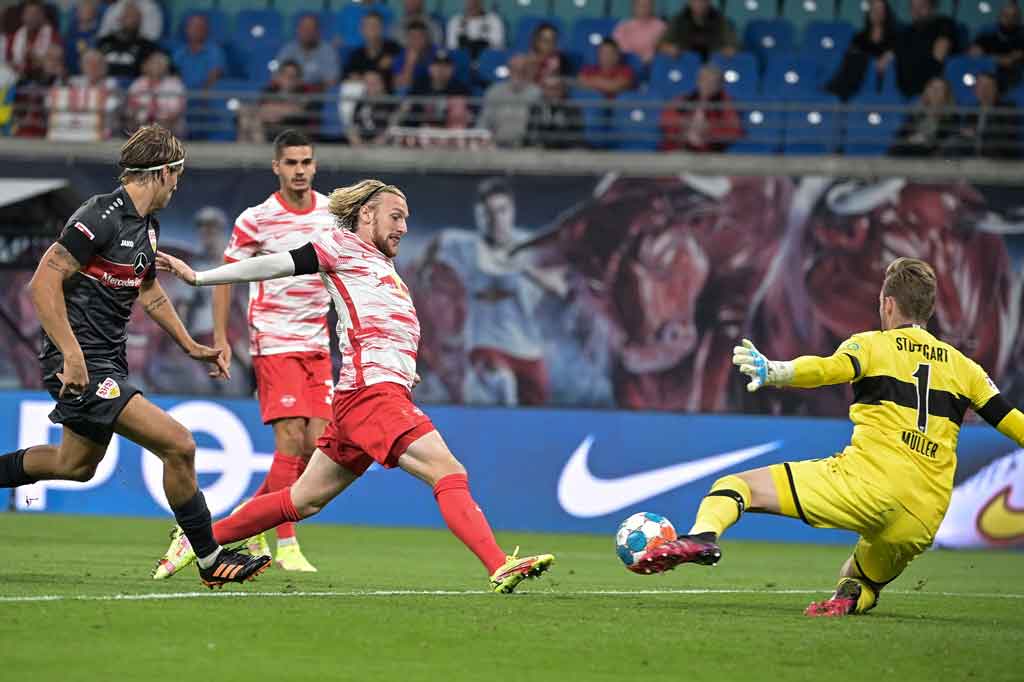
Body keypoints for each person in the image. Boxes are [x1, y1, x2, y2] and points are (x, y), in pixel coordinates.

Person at [152, 179, 555, 594]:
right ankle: (499, 564)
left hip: (368, 393)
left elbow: (380, 325)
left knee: (303, 499)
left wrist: (403, 365)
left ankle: (199, 538)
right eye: (395, 217)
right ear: (366, 215)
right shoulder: (340, 246)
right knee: (448, 470)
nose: (402, 227)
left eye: (406, 220)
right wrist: (201, 278)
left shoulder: (385, 266)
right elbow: (275, 263)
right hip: (371, 394)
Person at [630, 257, 1024, 616]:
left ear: (888, 304)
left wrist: (776, 372)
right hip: (924, 514)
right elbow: (1012, 422)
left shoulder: (872, 345)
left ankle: (701, 537)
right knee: (859, 577)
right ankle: (846, 600)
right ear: (930, 309)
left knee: (735, 487)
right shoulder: (966, 368)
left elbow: (826, 369)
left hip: (867, 485)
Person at [0, 125, 270, 588]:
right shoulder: (100, 214)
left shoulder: (147, 228)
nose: (178, 183)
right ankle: (209, 559)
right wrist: (72, 354)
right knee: (180, 444)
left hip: (106, 360)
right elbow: (43, 282)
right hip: (80, 363)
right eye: (177, 174)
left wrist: (189, 344)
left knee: (76, 467)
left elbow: (150, 293)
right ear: (162, 172)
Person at [205, 130, 335, 573]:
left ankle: (250, 515)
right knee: (291, 441)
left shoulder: (333, 215)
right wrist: (221, 338)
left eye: (307, 162)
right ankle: (287, 545)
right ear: (276, 167)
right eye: (291, 163)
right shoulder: (256, 219)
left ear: (315, 166)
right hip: (274, 340)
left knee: (319, 448)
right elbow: (226, 276)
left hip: (317, 343)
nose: (300, 170)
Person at [416, 178, 556, 405]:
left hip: (528, 350)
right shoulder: (464, 245)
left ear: (512, 211)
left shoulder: (531, 245)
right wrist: (423, 272)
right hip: (485, 346)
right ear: (478, 217)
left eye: (501, 211)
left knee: (537, 412)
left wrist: (529, 272)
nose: (495, 220)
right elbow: (439, 240)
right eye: (487, 214)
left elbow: (560, 285)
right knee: (503, 385)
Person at [826, 0, 899, 100]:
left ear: (886, 13)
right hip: (860, 73)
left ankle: (839, 91)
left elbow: (898, 51)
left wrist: (890, 56)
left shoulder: (894, 36)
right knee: (853, 59)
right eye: (873, 10)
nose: (876, 13)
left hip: (880, 74)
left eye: (880, 10)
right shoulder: (860, 36)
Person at [658, 64, 741, 152]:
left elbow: (734, 131)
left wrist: (710, 128)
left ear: (720, 85)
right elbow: (665, 121)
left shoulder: (725, 104)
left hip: (710, 152)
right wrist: (682, 123)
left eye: (712, 82)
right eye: (704, 80)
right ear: (698, 81)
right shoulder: (684, 99)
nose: (707, 84)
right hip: (681, 149)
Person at [895, 0, 959, 98]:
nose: (917, 10)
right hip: (907, 91)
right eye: (913, 7)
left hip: (933, 87)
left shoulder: (944, 25)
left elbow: (939, 56)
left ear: (932, 7)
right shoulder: (905, 33)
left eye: (922, 6)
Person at [949, 72, 1020, 158]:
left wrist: (976, 134)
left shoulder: (1007, 109)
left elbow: (1004, 137)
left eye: (988, 86)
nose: (984, 90)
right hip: (972, 159)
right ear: (974, 89)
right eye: (980, 86)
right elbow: (965, 133)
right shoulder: (972, 112)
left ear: (996, 89)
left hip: (1000, 160)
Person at [478, 54, 541, 147]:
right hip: (496, 146)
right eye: (514, 69)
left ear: (527, 71)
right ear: (509, 70)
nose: (518, 73)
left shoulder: (536, 93)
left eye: (522, 70)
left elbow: (539, 127)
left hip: (525, 147)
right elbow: (483, 123)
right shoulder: (494, 91)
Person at [888, 76, 959, 156]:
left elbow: (946, 138)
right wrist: (910, 139)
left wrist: (927, 140)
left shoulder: (951, 116)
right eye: (932, 88)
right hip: (912, 149)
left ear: (946, 93)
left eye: (940, 89)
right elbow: (903, 133)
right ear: (926, 90)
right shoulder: (916, 112)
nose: (935, 92)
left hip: (934, 153)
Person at [125, 51, 185, 137]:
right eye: (153, 63)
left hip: (168, 128)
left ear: (166, 67)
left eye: (160, 64)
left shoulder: (175, 85)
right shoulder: (138, 83)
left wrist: (157, 122)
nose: (156, 67)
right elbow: (131, 107)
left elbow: (176, 112)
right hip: (140, 126)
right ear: (146, 66)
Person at [275, 14, 340, 91]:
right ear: (298, 30)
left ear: (318, 31)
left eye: (310, 29)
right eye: (304, 28)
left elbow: (332, 81)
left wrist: (305, 86)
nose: (307, 32)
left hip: (315, 96)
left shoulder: (328, 51)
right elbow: (276, 77)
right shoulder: (287, 49)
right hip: (289, 94)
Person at [970, 3, 1024, 91]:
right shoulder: (987, 35)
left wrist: (991, 58)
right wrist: (997, 60)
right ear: (999, 16)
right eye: (1006, 15)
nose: (1009, 19)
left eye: (1013, 16)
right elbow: (974, 54)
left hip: (1014, 77)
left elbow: (1011, 60)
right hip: (986, 75)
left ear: (1018, 19)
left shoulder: (1021, 37)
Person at [97, 2, 158, 79]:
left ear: (140, 20)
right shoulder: (104, 41)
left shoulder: (147, 46)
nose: (130, 20)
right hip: (103, 84)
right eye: (126, 15)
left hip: (134, 87)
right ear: (119, 18)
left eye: (134, 16)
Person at [659, 0, 736, 60]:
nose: (699, 4)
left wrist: (728, 50)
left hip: (713, 65)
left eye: (702, 1)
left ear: (708, 1)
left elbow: (732, 46)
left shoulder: (721, 20)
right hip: (684, 63)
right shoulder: (678, 20)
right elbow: (662, 45)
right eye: (695, 0)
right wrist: (669, 49)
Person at [171, 14, 225, 91]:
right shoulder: (179, 52)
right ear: (186, 30)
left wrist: (202, 96)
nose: (195, 30)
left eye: (199, 27)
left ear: (206, 30)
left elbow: (214, 77)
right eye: (192, 27)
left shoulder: (214, 52)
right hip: (180, 95)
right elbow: (173, 75)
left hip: (204, 97)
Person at [347, 69, 396, 146]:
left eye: (373, 83)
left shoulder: (389, 101)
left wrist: (378, 140)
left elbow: (393, 124)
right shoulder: (361, 101)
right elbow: (354, 123)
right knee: (350, 131)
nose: (370, 86)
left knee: (389, 132)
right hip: (362, 141)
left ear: (381, 84)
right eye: (367, 83)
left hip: (382, 140)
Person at [97, 0, 163, 43]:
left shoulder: (150, 8)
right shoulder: (116, 7)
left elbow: (151, 37)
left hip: (138, 46)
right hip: (114, 45)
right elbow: (103, 34)